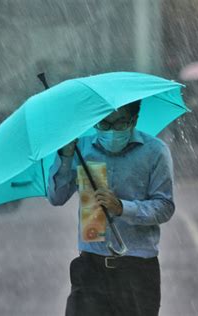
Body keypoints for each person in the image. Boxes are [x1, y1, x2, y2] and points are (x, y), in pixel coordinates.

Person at [48, 100, 175, 316]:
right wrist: (65, 157)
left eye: (120, 124)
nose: (111, 132)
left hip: (137, 270)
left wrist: (122, 208)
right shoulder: (81, 149)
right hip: (90, 267)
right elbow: (56, 197)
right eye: (104, 125)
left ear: (134, 121)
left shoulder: (155, 152)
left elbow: (164, 207)